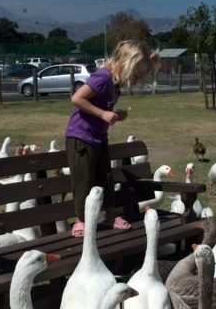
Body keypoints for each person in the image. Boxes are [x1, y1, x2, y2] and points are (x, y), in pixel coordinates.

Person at [65, 40, 158, 238]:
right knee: (84, 180)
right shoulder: (103, 77)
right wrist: (102, 114)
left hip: (98, 137)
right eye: (133, 76)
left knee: (105, 178)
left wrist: (114, 113)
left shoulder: (115, 82)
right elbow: (77, 98)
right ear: (125, 64)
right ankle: (81, 220)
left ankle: (109, 215)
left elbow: (102, 106)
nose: (132, 81)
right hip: (81, 137)